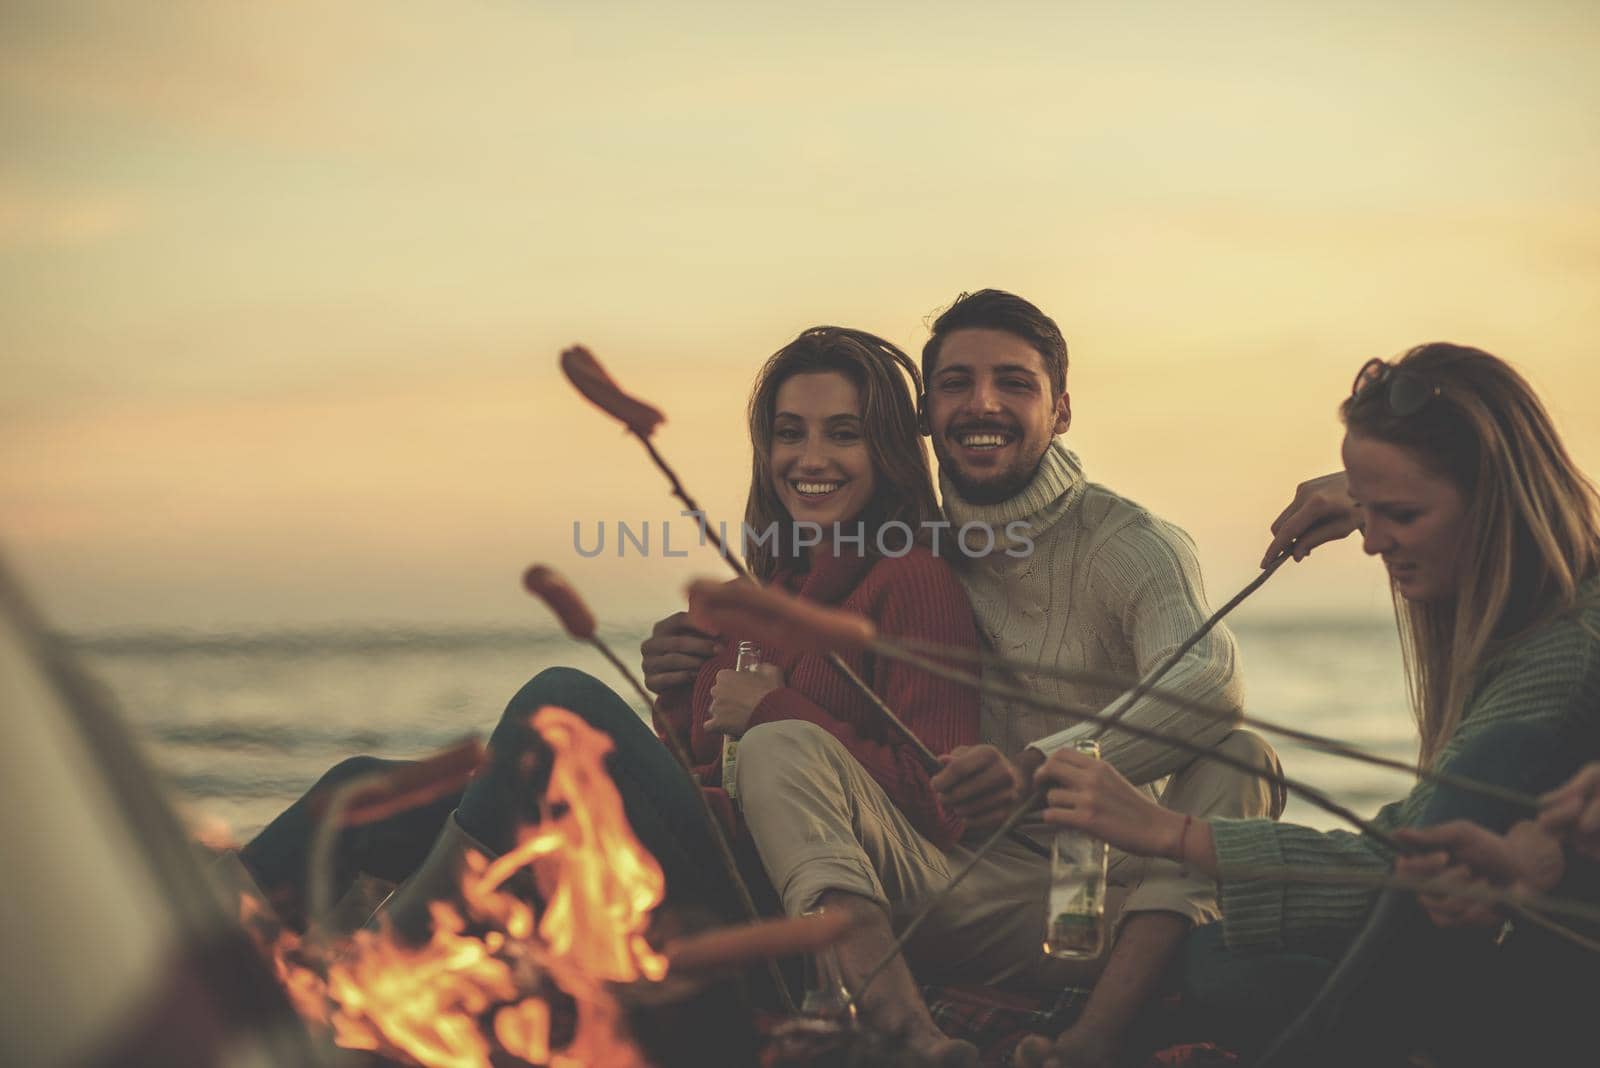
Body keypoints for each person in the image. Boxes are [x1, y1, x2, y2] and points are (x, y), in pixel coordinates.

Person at [238, 328, 983, 1039]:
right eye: (790, 433)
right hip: (699, 864)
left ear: (884, 450)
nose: (810, 457)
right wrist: (673, 699)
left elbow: (938, 811)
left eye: (842, 433)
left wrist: (776, 710)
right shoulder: (761, 593)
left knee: (560, 704)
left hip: (776, 912)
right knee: (365, 789)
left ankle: (378, 1001)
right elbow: (709, 773)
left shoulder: (910, 581)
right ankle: (186, 967)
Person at [643, 290, 1282, 1068]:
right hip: (970, 887)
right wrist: (696, 654)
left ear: (1063, 409)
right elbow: (814, 651)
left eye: (1014, 382)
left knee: (1242, 756)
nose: (983, 404)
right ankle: (915, 1039)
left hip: (1115, 894)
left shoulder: (1131, 545)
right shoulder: (911, 542)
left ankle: (1095, 1039)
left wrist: (1034, 770)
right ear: (922, 416)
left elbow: (1209, 682)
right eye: (955, 383)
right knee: (783, 744)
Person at [1033, 342, 1600, 1064]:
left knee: (1235, 973)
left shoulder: (1565, 650)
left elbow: (1393, 873)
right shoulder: (1535, 604)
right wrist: (1365, 487)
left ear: (1495, 503)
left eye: (1400, 514)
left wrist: (1168, 832)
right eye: (1368, 510)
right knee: (1220, 961)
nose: (1373, 542)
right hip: (1489, 946)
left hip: (1551, 993)